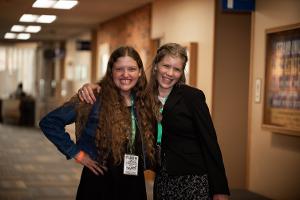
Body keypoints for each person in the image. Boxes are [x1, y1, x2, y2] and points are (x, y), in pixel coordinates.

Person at [78, 43, 230, 200]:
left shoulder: (192, 97)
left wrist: (220, 189)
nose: (170, 73)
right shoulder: (142, 96)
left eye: (177, 69)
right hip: (162, 177)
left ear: (181, 72)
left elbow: (210, 143)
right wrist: (93, 87)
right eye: (166, 66)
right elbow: (116, 88)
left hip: (192, 178)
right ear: (156, 65)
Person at [39, 46, 156, 200]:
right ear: (111, 72)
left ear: (140, 72)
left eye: (132, 69)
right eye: (119, 69)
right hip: (99, 180)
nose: (125, 74)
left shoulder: (145, 101)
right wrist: (77, 154)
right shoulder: (93, 98)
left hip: (133, 182)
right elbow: (50, 122)